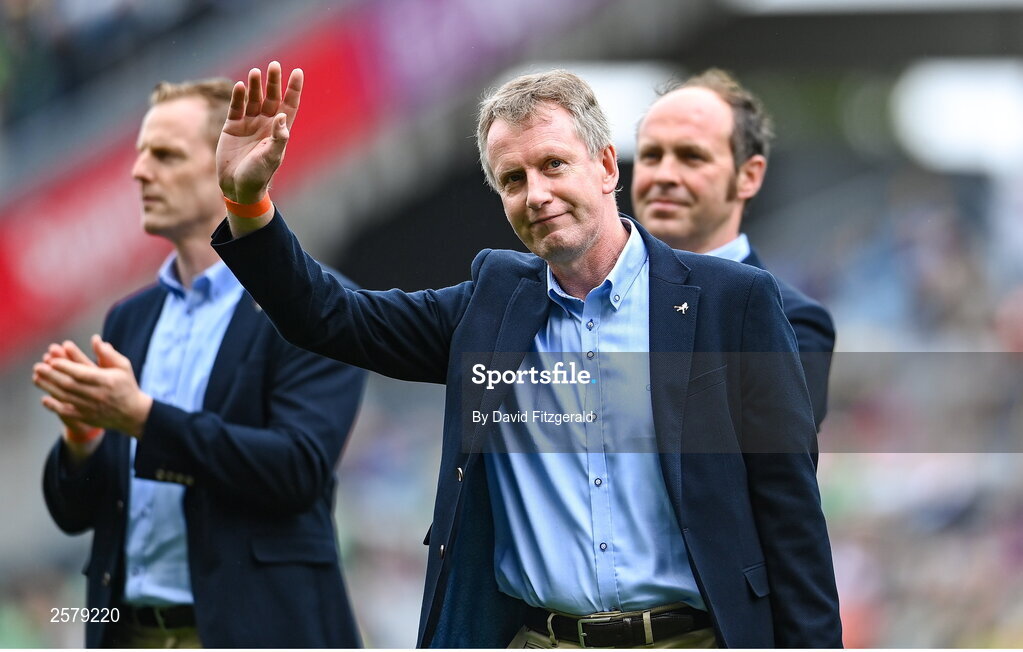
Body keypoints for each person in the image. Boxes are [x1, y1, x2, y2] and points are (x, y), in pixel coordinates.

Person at [212, 62, 841, 648]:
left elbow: (792, 521)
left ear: (604, 166)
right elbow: (331, 316)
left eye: (553, 165)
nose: (536, 193)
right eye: (513, 179)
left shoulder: (732, 302)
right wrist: (248, 204)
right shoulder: (489, 309)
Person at [33, 78, 366, 649]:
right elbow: (78, 514)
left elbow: (297, 471)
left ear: (226, 162)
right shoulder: (128, 319)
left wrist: (143, 419)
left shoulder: (312, 307)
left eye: (164, 155)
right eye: (139, 155)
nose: (139, 172)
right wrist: (83, 442)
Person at [632, 68, 835, 432]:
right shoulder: (591, 299)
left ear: (749, 176)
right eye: (651, 155)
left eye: (691, 156)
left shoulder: (794, 322)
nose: (664, 174)